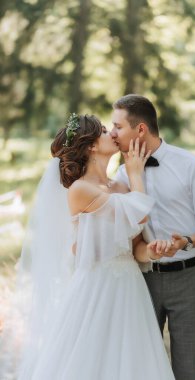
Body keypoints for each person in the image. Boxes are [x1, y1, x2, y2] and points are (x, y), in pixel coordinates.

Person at [5, 113, 175, 380]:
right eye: (106, 130)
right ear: (92, 145)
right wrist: (136, 174)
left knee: (131, 358)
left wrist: (150, 251)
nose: (114, 134)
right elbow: (138, 214)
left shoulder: (120, 187)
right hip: (97, 286)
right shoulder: (79, 190)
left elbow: (135, 246)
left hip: (130, 285)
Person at [111, 94, 195, 380]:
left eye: (117, 127)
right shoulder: (122, 175)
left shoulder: (191, 165)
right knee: (142, 367)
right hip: (143, 279)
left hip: (191, 278)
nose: (112, 134)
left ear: (140, 130)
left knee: (187, 370)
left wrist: (185, 241)